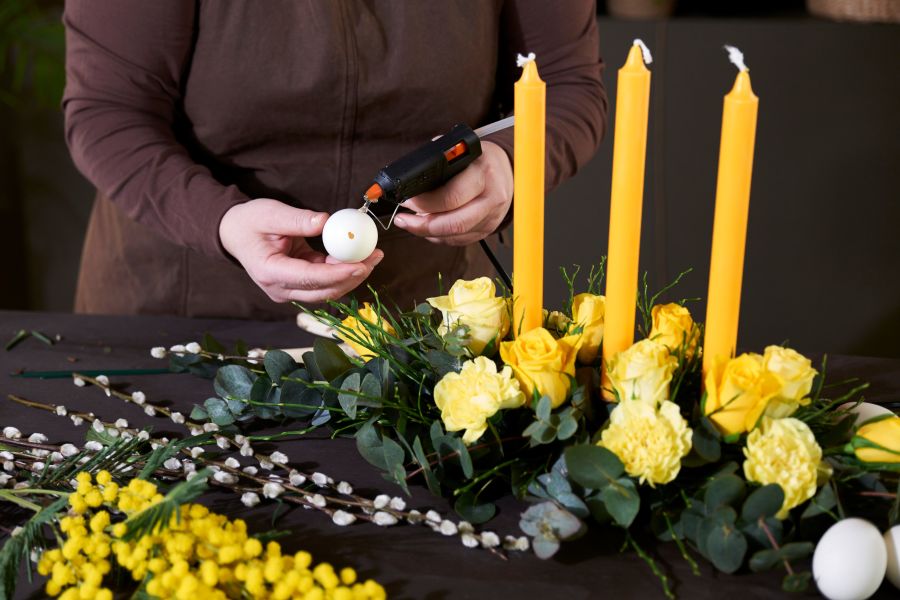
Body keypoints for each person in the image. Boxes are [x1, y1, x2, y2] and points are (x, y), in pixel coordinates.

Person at [63, 1, 607, 319]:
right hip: (185, 311)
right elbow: (108, 111)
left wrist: (510, 162)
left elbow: (568, 85)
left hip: (424, 320)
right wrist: (221, 222)